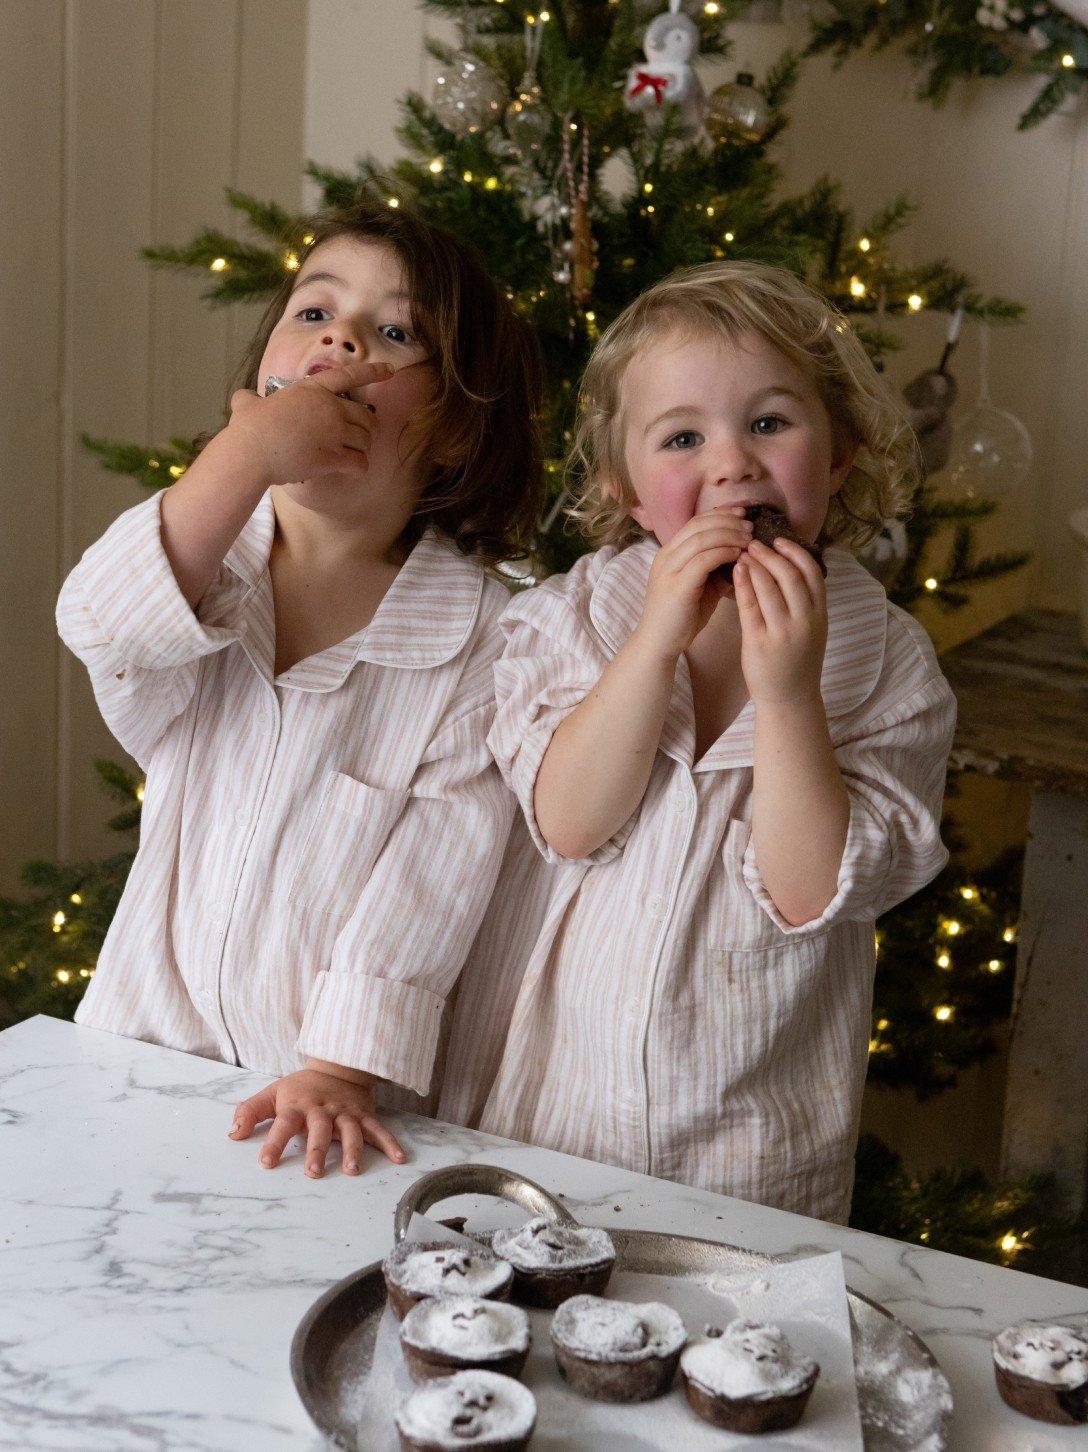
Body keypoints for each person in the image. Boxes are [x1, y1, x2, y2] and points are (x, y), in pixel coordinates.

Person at [439, 260, 956, 1224]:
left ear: (838, 451)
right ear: (628, 491)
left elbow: (812, 891)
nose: (734, 465)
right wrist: (653, 642)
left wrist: (789, 695)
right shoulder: (571, 622)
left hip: (754, 1144)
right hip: (556, 1120)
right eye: (683, 437)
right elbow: (569, 820)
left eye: (770, 422)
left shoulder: (889, 660)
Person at [57, 201, 543, 1180]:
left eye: (395, 332)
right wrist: (240, 460)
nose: (343, 338)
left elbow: (433, 874)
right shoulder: (205, 563)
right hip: (139, 1055)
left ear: (451, 429)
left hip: (327, 1112)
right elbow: (99, 622)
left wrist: (340, 1065)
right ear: (264, 380)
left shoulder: (480, 639)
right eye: (313, 312)